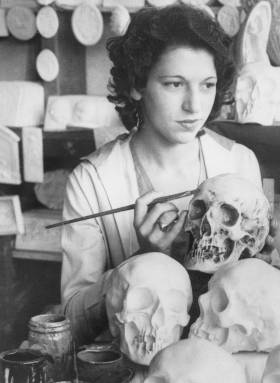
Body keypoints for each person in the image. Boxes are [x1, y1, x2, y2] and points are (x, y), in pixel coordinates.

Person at [61, 5, 267, 343]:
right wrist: (140, 262)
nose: (194, 106)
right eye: (175, 84)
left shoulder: (240, 163)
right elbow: (71, 320)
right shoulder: (92, 181)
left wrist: (261, 258)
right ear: (137, 85)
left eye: (207, 85)